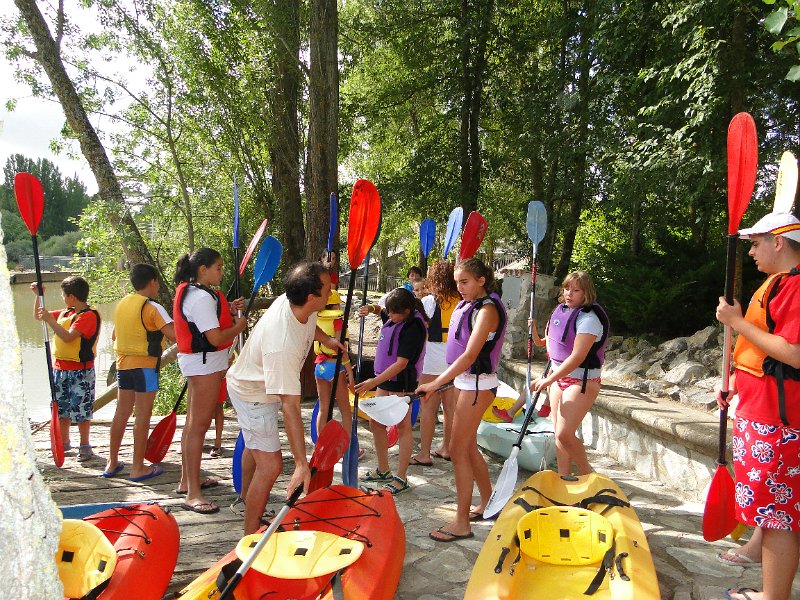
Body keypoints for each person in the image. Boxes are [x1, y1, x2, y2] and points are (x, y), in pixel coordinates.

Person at [715, 212, 800, 600]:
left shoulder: (797, 287)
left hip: (778, 421)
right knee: (770, 508)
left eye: (755, 243)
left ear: (778, 242)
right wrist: (734, 382)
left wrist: (737, 321)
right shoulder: (777, 283)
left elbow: (794, 353)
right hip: (760, 410)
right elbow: (760, 350)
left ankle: (772, 597)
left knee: (778, 517)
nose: (750, 251)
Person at [226, 261, 345, 534]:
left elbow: (309, 324)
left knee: (257, 448)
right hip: (252, 393)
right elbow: (290, 407)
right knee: (271, 466)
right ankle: (250, 534)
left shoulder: (297, 299)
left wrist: (326, 340)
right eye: (327, 288)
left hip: (255, 382)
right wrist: (302, 464)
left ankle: (246, 498)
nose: (331, 291)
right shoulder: (283, 346)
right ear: (312, 296)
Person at [416, 258, 507, 542]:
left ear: (482, 280)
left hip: (478, 386)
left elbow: (469, 355)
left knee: (457, 451)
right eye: (457, 282)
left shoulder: (488, 310)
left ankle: (461, 521)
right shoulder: (467, 304)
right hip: (466, 383)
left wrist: (435, 382)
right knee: (466, 448)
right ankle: (490, 501)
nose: (460, 287)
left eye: (465, 282)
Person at [173, 248, 246, 514]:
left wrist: (230, 310)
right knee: (198, 426)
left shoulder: (197, 292)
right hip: (203, 365)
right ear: (202, 269)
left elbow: (210, 322)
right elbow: (215, 338)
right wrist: (239, 326)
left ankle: (187, 480)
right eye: (218, 267)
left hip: (201, 364)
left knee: (194, 423)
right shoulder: (200, 298)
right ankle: (193, 493)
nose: (222, 271)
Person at [103, 263, 176, 481]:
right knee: (142, 417)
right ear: (152, 282)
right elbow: (174, 335)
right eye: (157, 281)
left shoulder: (122, 304)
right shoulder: (153, 307)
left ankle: (112, 462)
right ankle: (138, 468)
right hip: (144, 366)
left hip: (123, 366)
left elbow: (115, 336)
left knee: (121, 414)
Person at [532, 271, 608, 477]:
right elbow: (551, 344)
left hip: (582, 380)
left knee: (565, 434)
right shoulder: (561, 312)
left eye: (576, 290)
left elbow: (576, 357)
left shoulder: (589, 320)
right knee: (559, 435)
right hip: (558, 378)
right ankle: (563, 478)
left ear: (586, 293)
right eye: (567, 288)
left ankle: (588, 476)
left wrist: (547, 379)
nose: (569, 294)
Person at [356, 288, 428, 495]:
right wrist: (369, 308)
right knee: (375, 422)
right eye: (390, 311)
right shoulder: (394, 315)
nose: (391, 316)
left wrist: (372, 382)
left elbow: (401, 364)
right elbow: (381, 311)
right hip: (385, 382)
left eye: (395, 313)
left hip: (401, 383)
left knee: (403, 427)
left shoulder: (413, 328)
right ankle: (383, 469)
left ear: (407, 311)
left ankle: (401, 477)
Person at [31, 276, 101, 463]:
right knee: (61, 408)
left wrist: (50, 321)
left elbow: (68, 337)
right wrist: (39, 296)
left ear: (71, 297)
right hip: (60, 369)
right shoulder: (66, 313)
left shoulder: (88, 316)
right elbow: (39, 316)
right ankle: (64, 442)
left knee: (81, 409)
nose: (62, 298)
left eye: (63, 295)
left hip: (81, 371)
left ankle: (84, 445)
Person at [410, 260, 460, 465]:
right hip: (455, 360)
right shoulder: (463, 301)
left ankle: (424, 454)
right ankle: (447, 448)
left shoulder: (429, 302)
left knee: (428, 408)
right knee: (450, 409)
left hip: (431, 360)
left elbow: (418, 329)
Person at [313, 289, 355, 440]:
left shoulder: (316, 319)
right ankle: (349, 446)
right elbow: (341, 348)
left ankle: (321, 445)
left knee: (323, 409)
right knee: (345, 409)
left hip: (319, 367)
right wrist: (349, 371)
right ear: (335, 305)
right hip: (334, 367)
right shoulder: (337, 320)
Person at [492, 319, 548, 423]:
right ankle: (511, 413)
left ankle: (547, 404)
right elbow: (540, 342)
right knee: (531, 385)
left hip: (559, 371)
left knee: (539, 384)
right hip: (552, 368)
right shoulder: (554, 334)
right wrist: (533, 329)